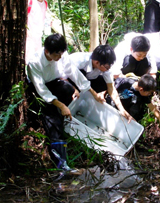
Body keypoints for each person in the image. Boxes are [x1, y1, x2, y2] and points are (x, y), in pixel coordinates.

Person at [26, 34, 103, 171]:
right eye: (57, 55)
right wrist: (61, 106)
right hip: (38, 92)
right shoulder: (35, 63)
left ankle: (62, 118)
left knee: (67, 89)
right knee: (53, 120)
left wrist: (93, 93)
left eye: (61, 54)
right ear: (47, 51)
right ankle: (61, 164)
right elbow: (41, 90)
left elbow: (74, 73)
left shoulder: (62, 56)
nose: (60, 57)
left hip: (56, 84)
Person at [69, 45, 133, 122]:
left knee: (105, 83)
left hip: (89, 81)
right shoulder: (79, 60)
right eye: (106, 67)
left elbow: (111, 87)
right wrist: (74, 88)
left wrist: (121, 109)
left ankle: (88, 99)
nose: (107, 69)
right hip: (70, 80)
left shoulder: (105, 67)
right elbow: (63, 76)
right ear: (97, 62)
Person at [25, 0, 54, 64]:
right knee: (28, 60)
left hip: (38, 37)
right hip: (28, 38)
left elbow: (42, 18)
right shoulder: (30, 1)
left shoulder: (44, 3)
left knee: (36, 61)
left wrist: (48, 23)